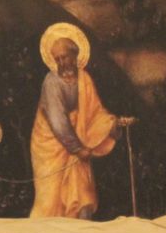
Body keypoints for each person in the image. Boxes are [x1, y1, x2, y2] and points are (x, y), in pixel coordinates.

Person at [28, 23, 136, 219]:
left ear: (75, 54)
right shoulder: (51, 82)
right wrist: (77, 149)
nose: (62, 63)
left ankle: (82, 228)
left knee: (81, 191)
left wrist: (112, 124)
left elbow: (95, 112)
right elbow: (58, 121)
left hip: (75, 138)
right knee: (51, 199)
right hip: (50, 145)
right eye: (57, 59)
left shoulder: (84, 79)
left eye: (65, 57)